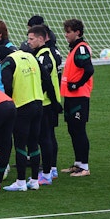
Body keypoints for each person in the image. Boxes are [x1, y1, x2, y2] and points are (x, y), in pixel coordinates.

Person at [0, 19, 43, 192]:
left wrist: (8, 102)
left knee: (20, 144)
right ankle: (35, 180)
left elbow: (7, 85)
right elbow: (44, 77)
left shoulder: (7, 61)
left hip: (22, 106)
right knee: (34, 143)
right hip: (38, 102)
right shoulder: (30, 56)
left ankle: (21, 181)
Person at [27, 25, 63, 185]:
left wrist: (54, 102)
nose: (28, 42)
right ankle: (51, 169)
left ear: (41, 39)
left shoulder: (44, 57)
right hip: (48, 102)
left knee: (45, 138)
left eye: (31, 39)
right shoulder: (43, 54)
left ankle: (47, 173)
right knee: (48, 137)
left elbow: (47, 82)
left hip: (46, 103)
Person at [60, 18, 94, 177]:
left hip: (79, 97)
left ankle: (85, 167)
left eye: (68, 31)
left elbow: (89, 69)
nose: (66, 34)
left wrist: (78, 84)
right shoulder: (74, 49)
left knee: (79, 130)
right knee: (73, 129)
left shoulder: (81, 49)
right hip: (70, 96)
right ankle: (78, 163)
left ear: (77, 32)